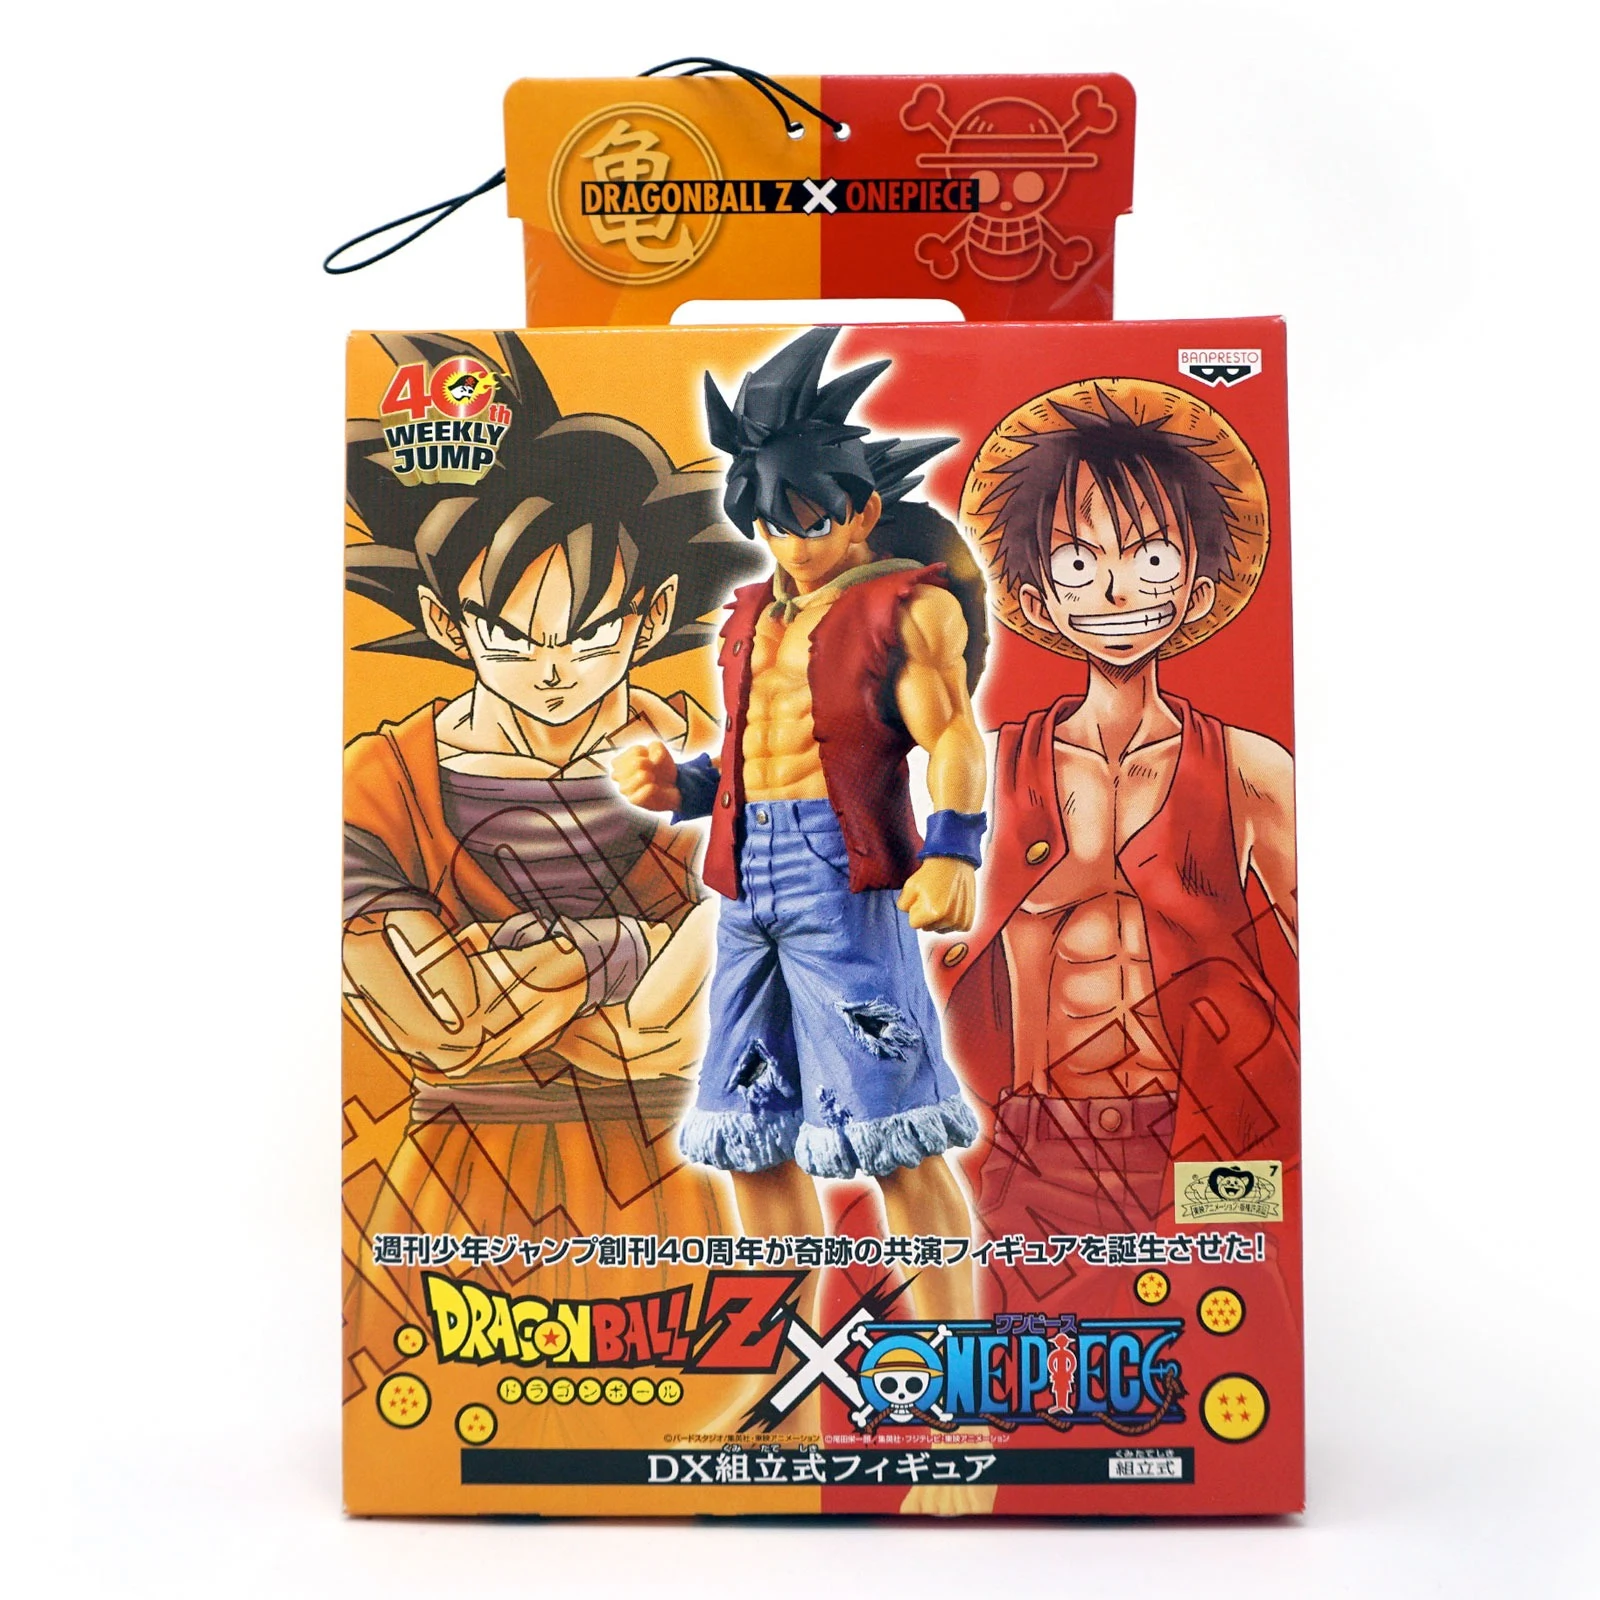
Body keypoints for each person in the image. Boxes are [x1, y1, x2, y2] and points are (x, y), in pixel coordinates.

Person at [341, 331, 764, 1433]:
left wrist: (544, 959)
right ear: (449, 624)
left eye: (589, 631)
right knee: (454, 1432)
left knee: (683, 1434)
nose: (553, 667)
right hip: (460, 1193)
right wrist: (631, 954)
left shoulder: (727, 769)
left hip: (674, 1185)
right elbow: (441, 1021)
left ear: (647, 618)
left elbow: (707, 1024)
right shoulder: (386, 780)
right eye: (511, 635)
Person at [614, 328, 991, 1330]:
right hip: (746, 884)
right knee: (749, 1129)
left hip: (842, 877)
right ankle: (779, 1360)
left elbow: (951, 733)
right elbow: (753, 753)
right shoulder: (751, 616)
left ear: (861, 509)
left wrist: (954, 847)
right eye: (771, 521)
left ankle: (954, 1364)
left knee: (897, 1129)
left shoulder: (907, 608)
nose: (793, 541)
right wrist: (681, 784)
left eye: (812, 517)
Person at [938, 380, 1298, 1281]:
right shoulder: (984, 770)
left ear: (1198, 587)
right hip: (1035, 1142)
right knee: (1032, 1355)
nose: (1116, 588)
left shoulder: (1252, 770)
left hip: (1213, 1143)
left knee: (1224, 1336)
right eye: (1077, 561)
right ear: (1036, 598)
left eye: (1152, 557)